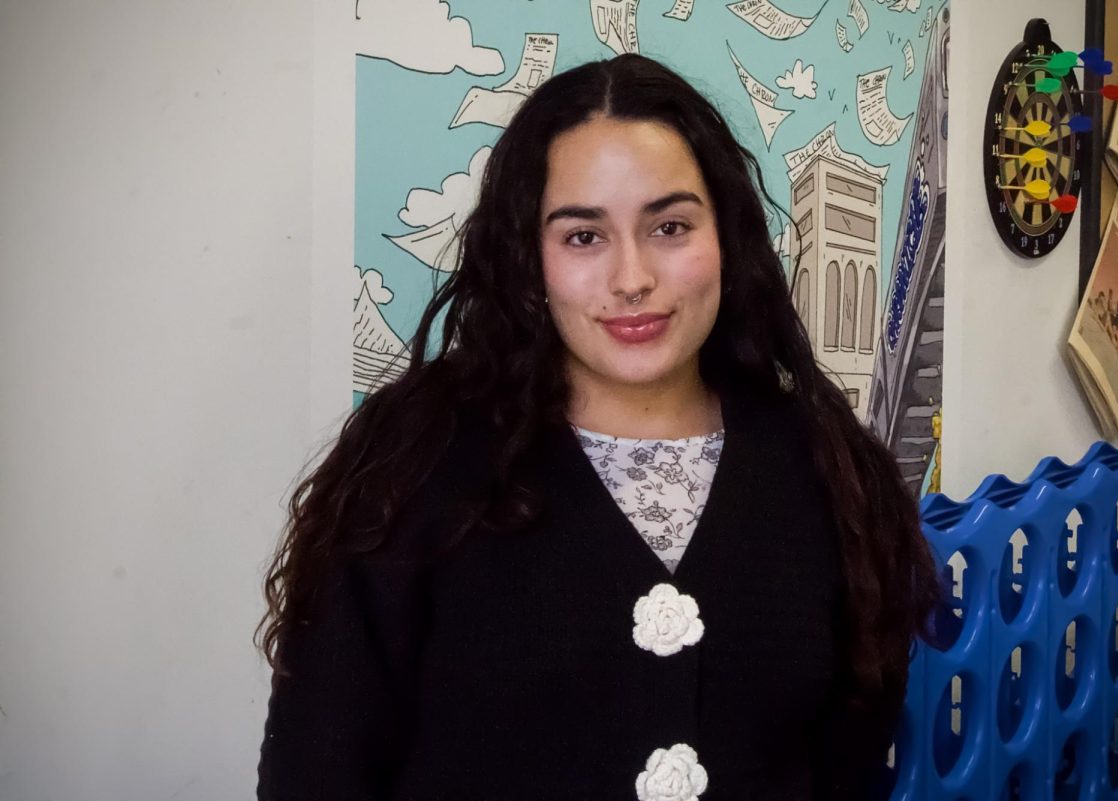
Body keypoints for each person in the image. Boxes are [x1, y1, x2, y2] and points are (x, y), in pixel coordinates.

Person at [255, 54, 942, 801]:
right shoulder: (414, 462)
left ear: (727, 235)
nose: (631, 278)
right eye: (583, 236)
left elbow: (848, 767)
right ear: (529, 257)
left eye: (670, 226)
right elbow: (314, 773)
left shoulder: (828, 471)